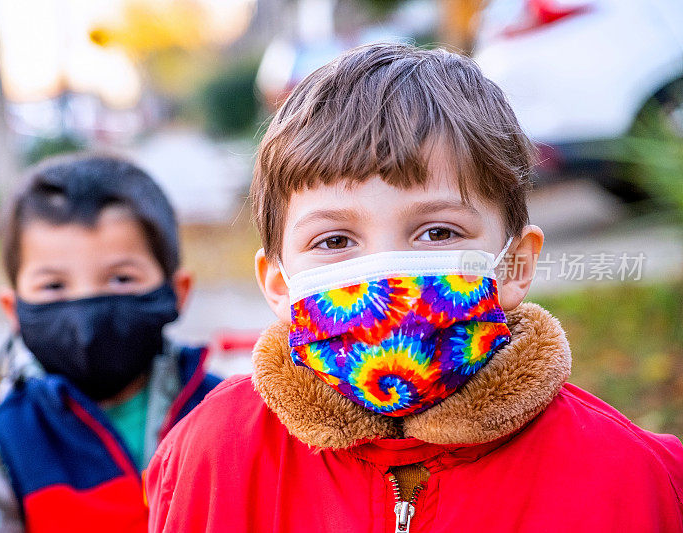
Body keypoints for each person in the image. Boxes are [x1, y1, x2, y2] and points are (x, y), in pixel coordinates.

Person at [144, 44, 683, 532]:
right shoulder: (210, 461)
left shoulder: (632, 482)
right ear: (280, 284)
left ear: (515, 265)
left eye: (437, 232)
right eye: (335, 240)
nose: (385, 274)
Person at [0, 154, 221, 532]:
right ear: (14, 309)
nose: (86, 316)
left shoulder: (233, 418)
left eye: (121, 279)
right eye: (54, 286)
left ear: (176, 293)